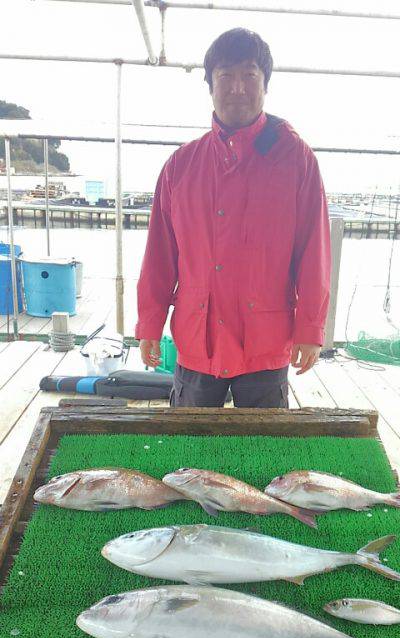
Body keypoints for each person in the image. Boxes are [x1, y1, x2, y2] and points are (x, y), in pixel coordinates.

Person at [136, 28, 331, 408]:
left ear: (266, 84)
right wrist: (149, 323)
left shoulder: (296, 158)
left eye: (249, 75)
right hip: (197, 338)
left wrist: (310, 327)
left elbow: (315, 252)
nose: (237, 88)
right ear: (210, 85)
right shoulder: (181, 165)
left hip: (266, 339)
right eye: (226, 75)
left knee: (265, 451)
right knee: (185, 453)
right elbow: (159, 256)